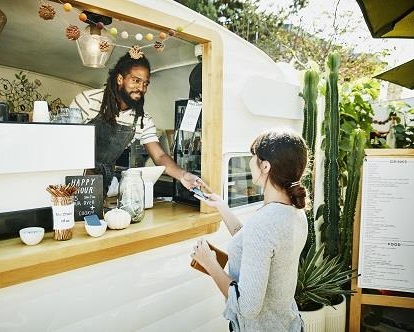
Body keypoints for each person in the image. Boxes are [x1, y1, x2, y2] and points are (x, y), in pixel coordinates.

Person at [190, 129, 309, 331]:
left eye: (254, 156)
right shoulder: (295, 212)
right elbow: (256, 244)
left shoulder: (263, 223)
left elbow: (247, 307)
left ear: (265, 166)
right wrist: (221, 206)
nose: (250, 161)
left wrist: (210, 264)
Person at [70, 51, 203, 195]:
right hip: (70, 178)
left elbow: (159, 156)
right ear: (120, 79)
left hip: (101, 184)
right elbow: (64, 142)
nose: (141, 88)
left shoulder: (142, 120)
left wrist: (183, 175)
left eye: (145, 83)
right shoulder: (88, 101)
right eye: (136, 81)